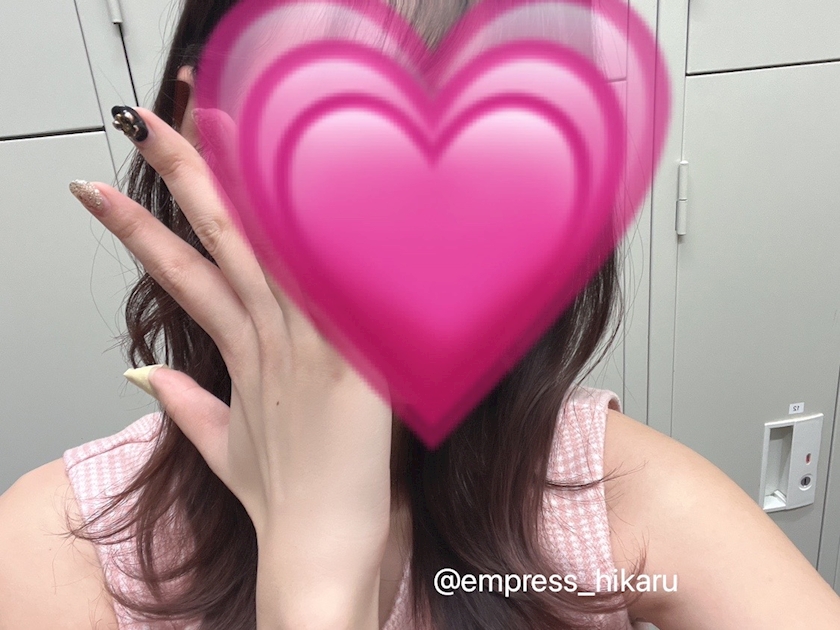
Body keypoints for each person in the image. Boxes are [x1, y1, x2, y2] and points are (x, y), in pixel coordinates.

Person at [2, 1, 840, 628]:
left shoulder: (610, 492)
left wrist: (320, 583)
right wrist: (316, 573)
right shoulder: (61, 546)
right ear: (192, 129)